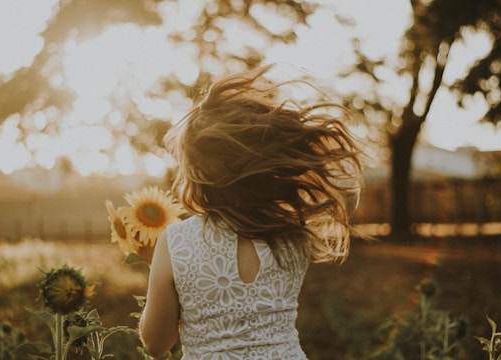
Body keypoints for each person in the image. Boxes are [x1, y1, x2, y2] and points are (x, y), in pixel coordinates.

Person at [138, 65, 365, 359]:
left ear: (198, 173)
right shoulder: (293, 235)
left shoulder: (176, 242)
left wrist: (159, 273)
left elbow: (156, 344)